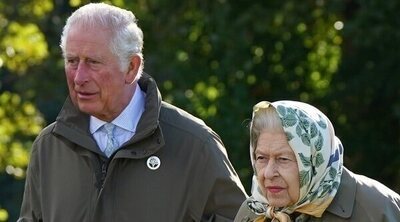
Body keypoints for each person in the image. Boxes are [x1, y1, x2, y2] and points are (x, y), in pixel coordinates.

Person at [18, 3, 247, 222]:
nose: (79, 77)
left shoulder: (196, 145)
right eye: (72, 61)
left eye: (93, 62)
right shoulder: (49, 147)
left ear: (131, 67)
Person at [234, 100, 400, 222]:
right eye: (261, 158)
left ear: (315, 161)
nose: (268, 173)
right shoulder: (252, 213)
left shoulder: (377, 210)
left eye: (283, 159)